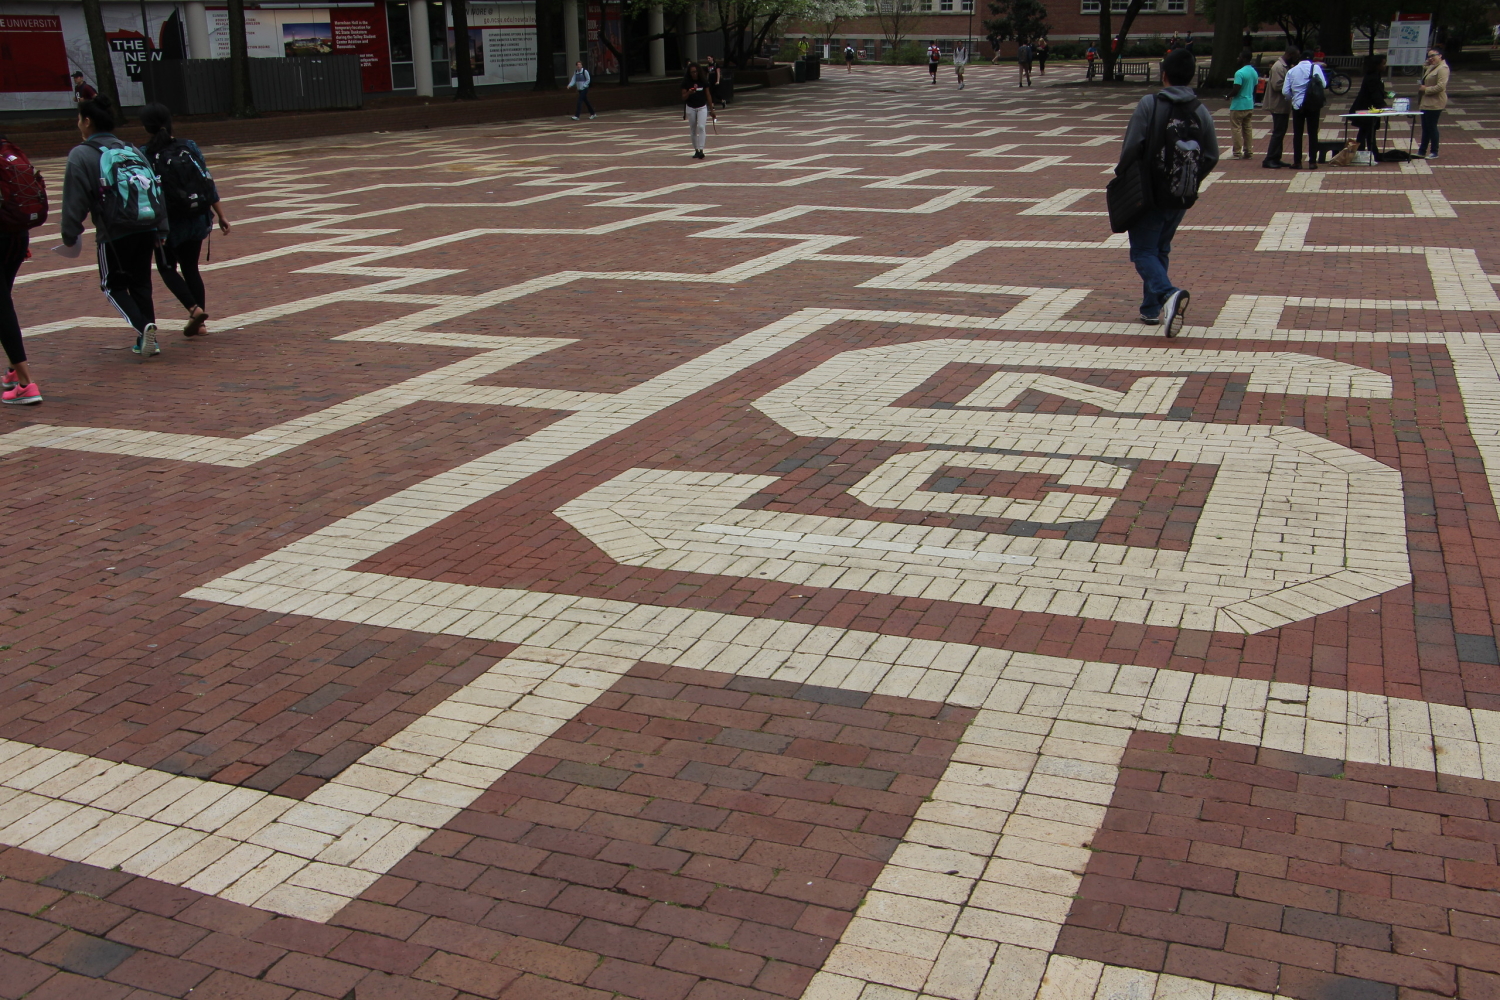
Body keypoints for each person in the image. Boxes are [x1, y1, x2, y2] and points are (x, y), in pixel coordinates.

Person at [1114, 47, 1218, 336]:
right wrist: (1191, 179)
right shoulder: (1200, 110)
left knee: (1143, 251)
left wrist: (1123, 176)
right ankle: (1150, 309)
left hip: (1149, 192)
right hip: (1181, 193)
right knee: (1160, 247)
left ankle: (1168, 295)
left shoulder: (1150, 104)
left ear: (1164, 75)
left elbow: (1132, 147)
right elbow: (1211, 155)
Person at [61, 95, 169, 357]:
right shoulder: (132, 150)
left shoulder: (81, 154)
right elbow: (154, 187)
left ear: (87, 121)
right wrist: (161, 228)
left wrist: (69, 233)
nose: (78, 124)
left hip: (113, 232)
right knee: (141, 283)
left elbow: (75, 199)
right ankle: (150, 342)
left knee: (113, 286)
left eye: (79, 119)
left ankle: (144, 328)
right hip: (146, 226)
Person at [138, 104, 230, 338]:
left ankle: (194, 309)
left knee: (167, 268)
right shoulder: (188, 146)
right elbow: (207, 180)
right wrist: (220, 215)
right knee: (191, 268)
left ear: (146, 126)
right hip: (196, 217)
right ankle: (199, 325)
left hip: (168, 222)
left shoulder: (144, 154)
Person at [0, 135, 41, 404]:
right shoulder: (8, 149)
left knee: (2, 306)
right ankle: (14, 372)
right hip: (16, 234)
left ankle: (26, 383)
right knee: (3, 300)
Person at [1283, 49, 1326, 170]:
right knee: (1313, 134)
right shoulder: (1316, 68)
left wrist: (1293, 97)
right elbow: (1323, 84)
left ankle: (1297, 162)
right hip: (1313, 105)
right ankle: (1312, 161)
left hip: (1297, 106)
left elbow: (1285, 91)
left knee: (1298, 134)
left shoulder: (1292, 71)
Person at [1261, 47, 1296, 168]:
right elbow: (1277, 86)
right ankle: (1270, 158)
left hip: (1282, 104)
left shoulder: (1284, 67)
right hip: (1277, 104)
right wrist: (1293, 86)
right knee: (1278, 132)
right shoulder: (1278, 67)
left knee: (1281, 132)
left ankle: (1276, 157)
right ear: (1290, 54)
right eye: (1295, 55)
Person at [1349, 53, 1388, 154]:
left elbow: (1377, 91)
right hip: (1366, 109)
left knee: (1368, 131)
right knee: (1366, 131)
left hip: (1370, 109)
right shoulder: (1372, 77)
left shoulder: (1376, 76)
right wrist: (1383, 105)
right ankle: (1364, 151)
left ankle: (1370, 151)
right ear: (1377, 65)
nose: (1385, 66)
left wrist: (1384, 94)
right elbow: (1374, 93)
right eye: (1383, 64)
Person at [1417, 46, 1449, 159]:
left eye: (1433, 56)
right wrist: (1429, 60)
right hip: (1426, 102)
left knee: (1431, 127)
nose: (1430, 58)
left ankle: (1434, 151)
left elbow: (1441, 86)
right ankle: (1422, 150)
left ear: (1440, 55)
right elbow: (1424, 66)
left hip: (1435, 102)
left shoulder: (1442, 68)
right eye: (1429, 56)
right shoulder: (1432, 67)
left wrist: (1425, 89)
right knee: (1425, 127)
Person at [681, 62, 716, 160]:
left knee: (701, 126)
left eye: (696, 72)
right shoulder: (686, 82)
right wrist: (689, 92)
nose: (694, 74)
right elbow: (683, 97)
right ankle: (696, 150)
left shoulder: (703, 81)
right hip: (691, 107)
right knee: (693, 129)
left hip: (702, 107)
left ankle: (701, 150)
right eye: (692, 72)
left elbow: (708, 95)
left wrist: (711, 109)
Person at [1229, 49, 1258, 159]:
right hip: (1249, 104)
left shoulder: (1239, 73)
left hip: (1238, 104)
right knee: (1247, 128)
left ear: (1244, 59)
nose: (1238, 58)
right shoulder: (1254, 72)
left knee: (1236, 128)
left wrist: (1228, 95)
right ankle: (1248, 151)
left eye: (1239, 57)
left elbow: (1236, 88)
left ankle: (1237, 152)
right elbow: (1254, 86)